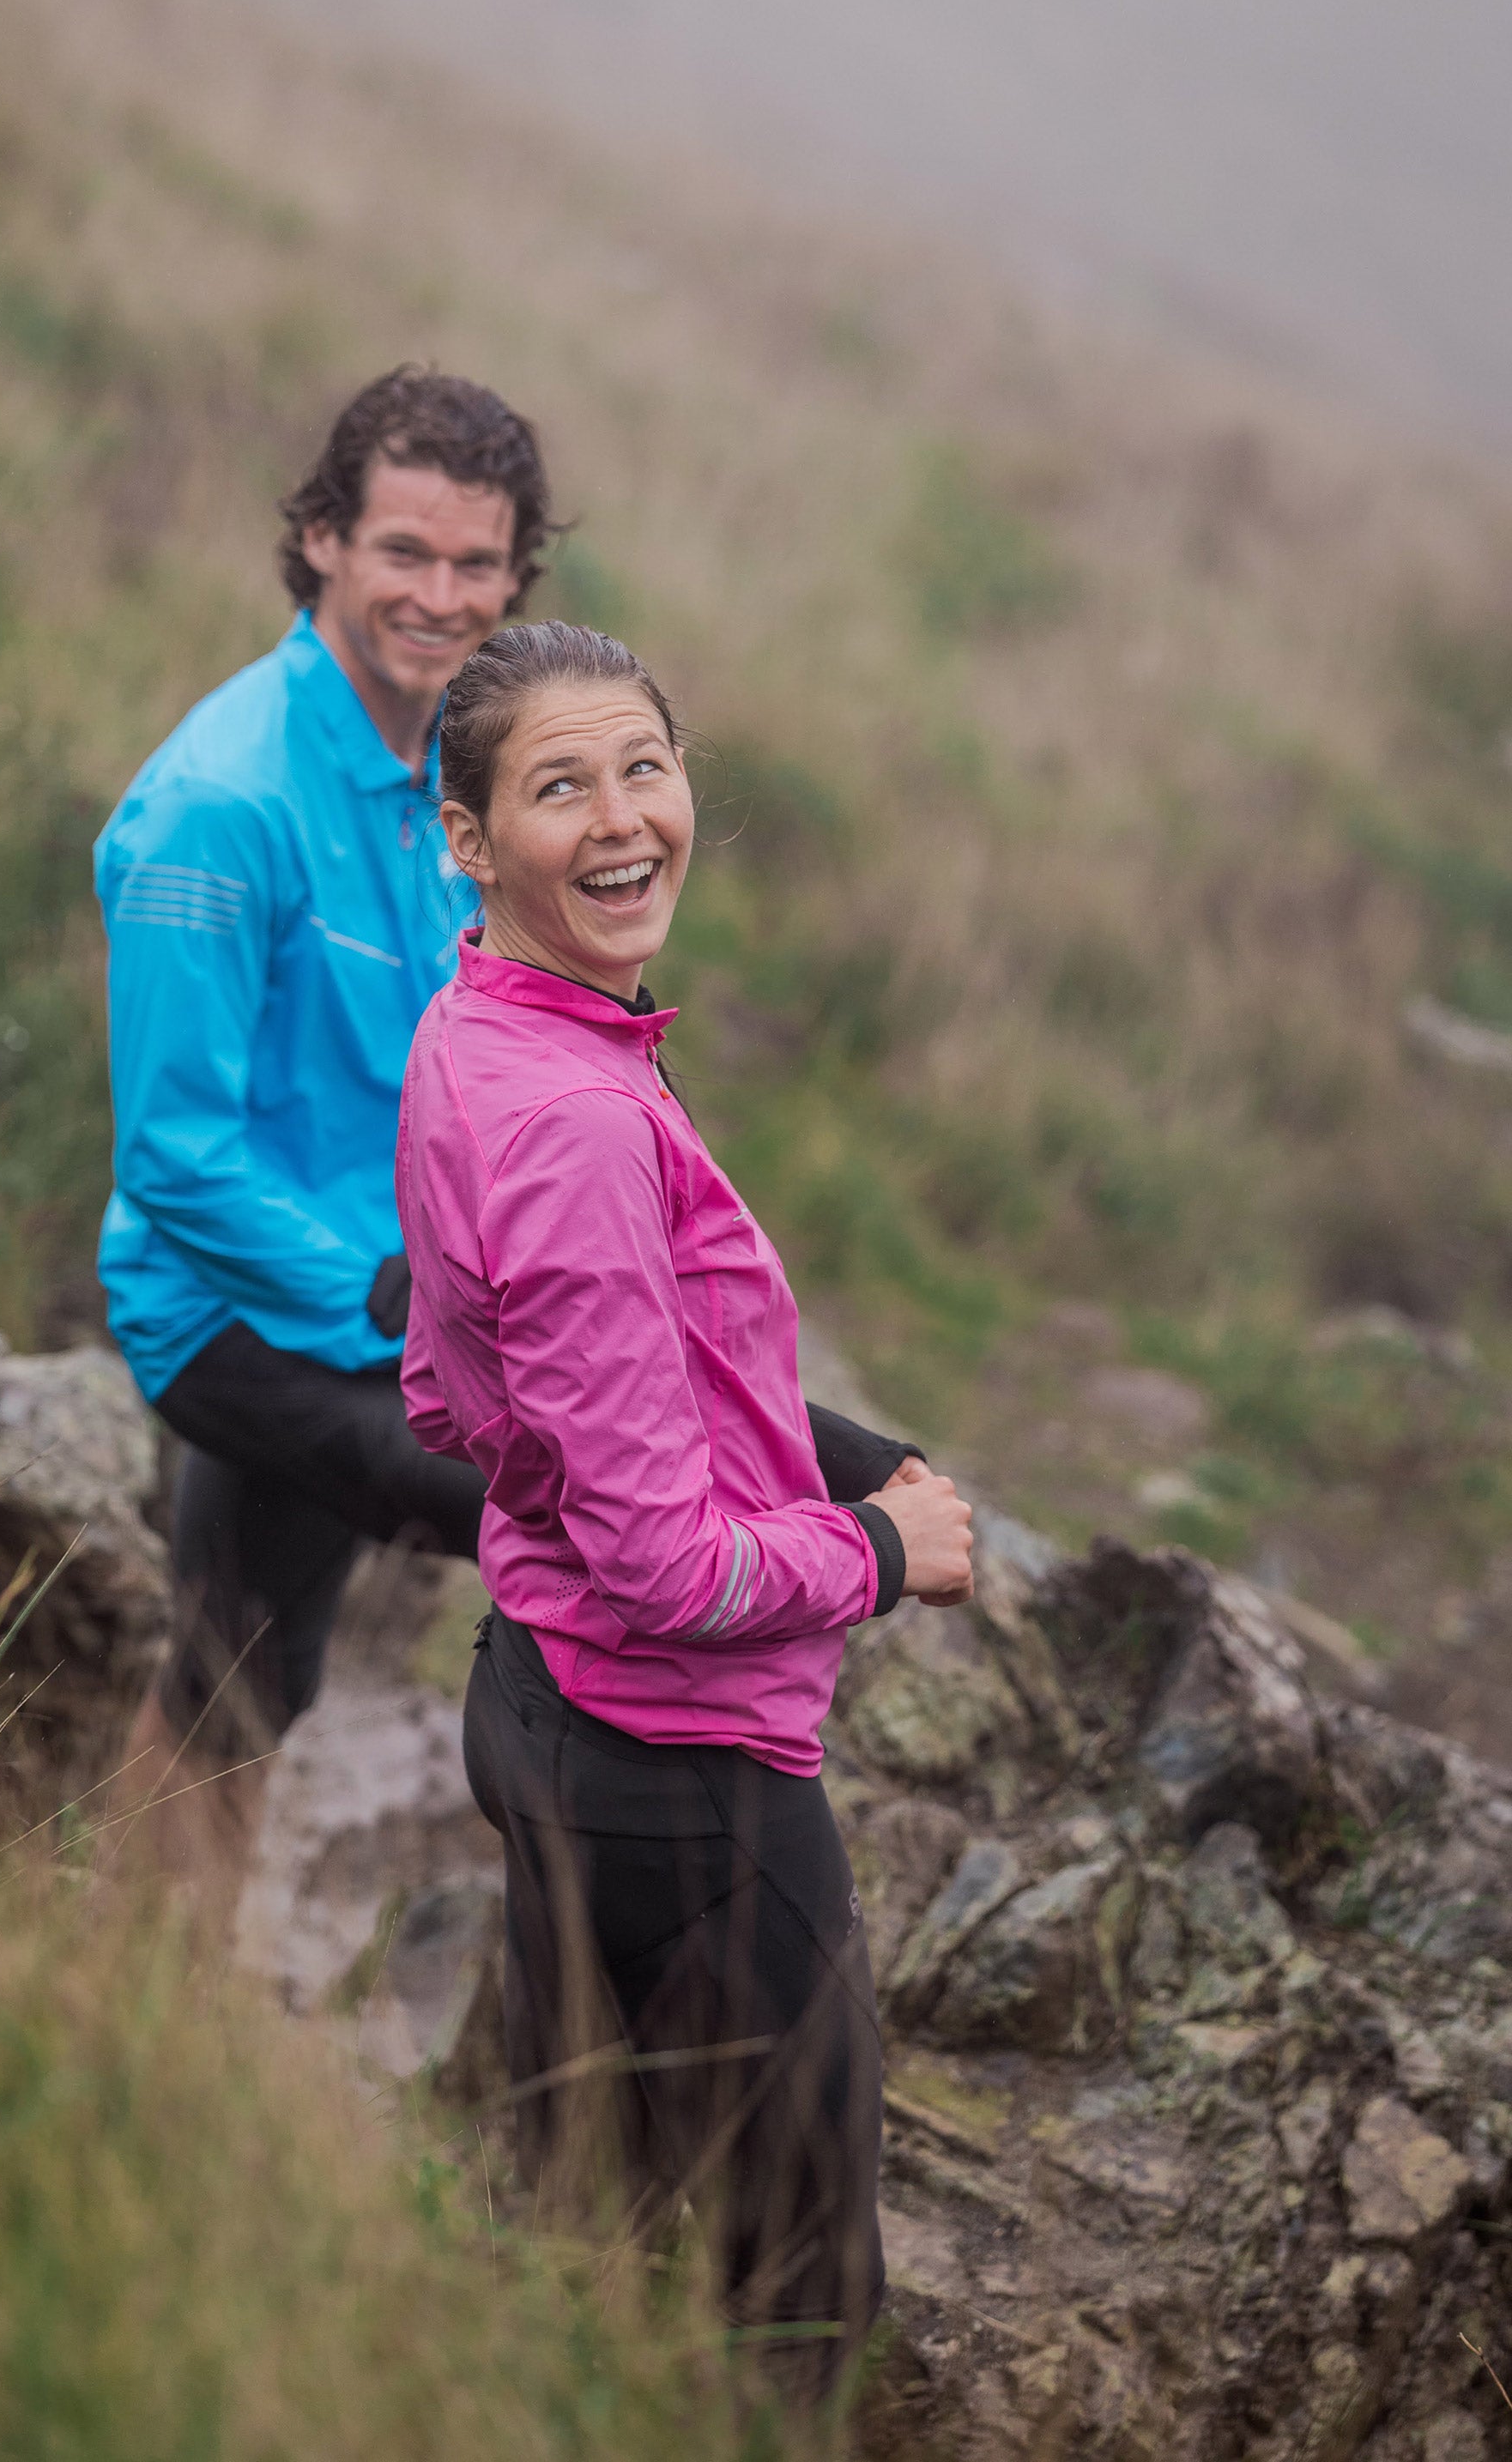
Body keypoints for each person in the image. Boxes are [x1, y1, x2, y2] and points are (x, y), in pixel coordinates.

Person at [396, 620, 975, 2405]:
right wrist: (884, 1551)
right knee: (796, 2308)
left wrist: (835, 1449)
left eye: (644, 766)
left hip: (538, 1702)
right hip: (683, 1782)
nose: (623, 818)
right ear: (469, 839)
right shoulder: (579, 1119)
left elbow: (461, 1384)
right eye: (560, 786)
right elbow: (660, 1565)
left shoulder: (478, 1029)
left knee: (582, 2236)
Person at [94, 367, 556, 1918]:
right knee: (578, 1530)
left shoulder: (453, 769)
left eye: (477, 562)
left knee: (241, 1675)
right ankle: (578, 1970)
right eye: (404, 551)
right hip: (239, 1317)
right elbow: (174, 1157)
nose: (442, 596)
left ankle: (122, 1979)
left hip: (397, 1298)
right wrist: (392, 1298)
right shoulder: (220, 807)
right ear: (322, 543)